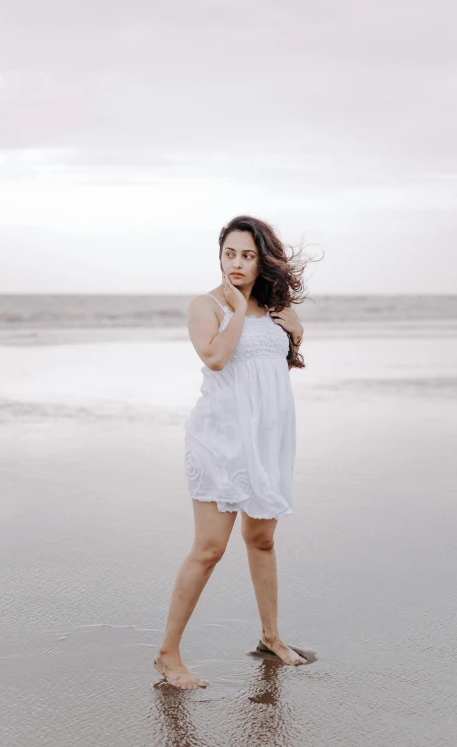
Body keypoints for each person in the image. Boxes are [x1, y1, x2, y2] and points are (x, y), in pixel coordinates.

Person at [154, 215, 312, 689]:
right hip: (220, 441)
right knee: (209, 549)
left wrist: (296, 331)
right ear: (219, 256)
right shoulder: (206, 306)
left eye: (247, 255)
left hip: (268, 440)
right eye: (230, 254)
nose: (237, 263)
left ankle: (271, 637)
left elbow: (273, 367)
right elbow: (217, 358)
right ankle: (167, 654)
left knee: (262, 540)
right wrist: (238, 311)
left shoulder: (275, 306)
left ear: (261, 258)